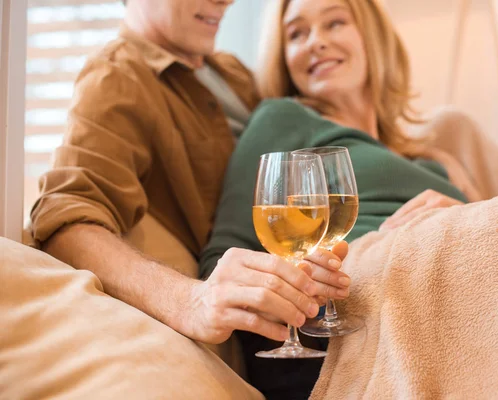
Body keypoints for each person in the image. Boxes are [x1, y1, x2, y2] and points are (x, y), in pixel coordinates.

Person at [198, 0, 494, 397]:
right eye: (297, 33)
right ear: (285, 59)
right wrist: (308, 277)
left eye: (334, 22)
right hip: (369, 288)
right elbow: (219, 265)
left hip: (465, 279)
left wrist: (461, 216)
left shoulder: (435, 157)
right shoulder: (282, 119)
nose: (316, 42)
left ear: (371, 37)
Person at [29, 0, 352, 353]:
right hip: (276, 329)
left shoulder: (232, 72)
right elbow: (65, 220)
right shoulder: (117, 76)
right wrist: (190, 300)